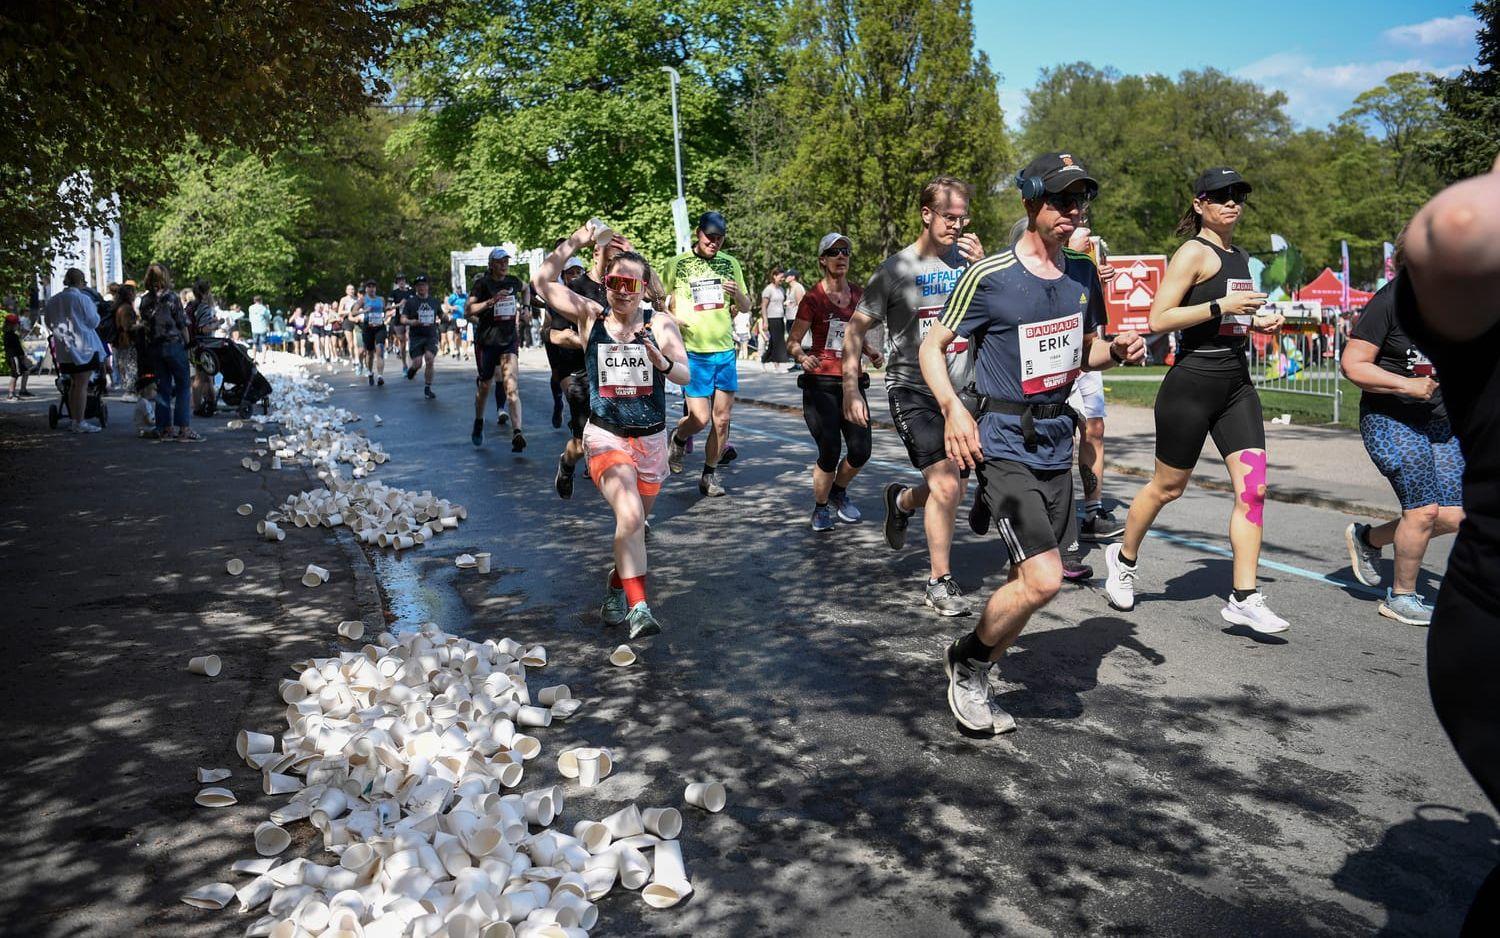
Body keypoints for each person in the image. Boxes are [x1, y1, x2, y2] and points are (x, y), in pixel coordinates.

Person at [923, 152, 1146, 734]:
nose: (1073, 211)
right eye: (1061, 200)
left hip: (1057, 442)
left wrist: (1114, 352)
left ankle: (979, 658)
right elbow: (932, 349)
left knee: (1029, 583)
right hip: (1002, 441)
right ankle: (968, 662)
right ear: (1030, 203)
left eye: (1080, 201)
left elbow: (1082, 354)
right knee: (1046, 578)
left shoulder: (1080, 275)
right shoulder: (989, 276)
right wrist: (953, 410)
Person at [1102, 167, 1289, 633]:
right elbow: (1159, 318)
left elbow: (1229, 318)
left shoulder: (1241, 255)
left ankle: (1244, 596)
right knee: (1168, 487)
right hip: (1191, 381)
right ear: (1200, 203)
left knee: (1254, 490)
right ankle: (1123, 559)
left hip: (1236, 384)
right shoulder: (1193, 252)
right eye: (1222, 196)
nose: (1232, 203)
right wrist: (1223, 307)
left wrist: (1256, 322)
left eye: (1239, 195)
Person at [1392, 151, 1500, 935]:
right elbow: (1456, 228)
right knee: (1428, 510)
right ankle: (1395, 581)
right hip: (1492, 613)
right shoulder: (1471, 264)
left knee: (1432, 512)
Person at [532, 222, 692, 639]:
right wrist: (578, 240)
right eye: (616, 282)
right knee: (631, 515)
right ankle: (640, 608)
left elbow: (684, 374)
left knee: (633, 526)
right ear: (606, 283)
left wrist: (660, 361)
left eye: (631, 283)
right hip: (605, 435)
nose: (623, 290)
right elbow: (541, 280)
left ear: (643, 287)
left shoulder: (661, 324)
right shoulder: (591, 316)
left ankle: (617, 585)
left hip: (652, 441)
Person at [843, 175, 984, 616]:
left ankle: (902, 501)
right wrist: (852, 387)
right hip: (913, 390)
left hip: (965, 392)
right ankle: (939, 582)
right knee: (946, 484)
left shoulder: (970, 263)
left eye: (962, 218)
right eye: (948, 217)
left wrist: (987, 266)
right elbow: (855, 330)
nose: (957, 226)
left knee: (952, 487)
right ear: (926, 214)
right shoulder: (894, 271)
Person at [789, 233, 884, 531]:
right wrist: (803, 358)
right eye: (834, 252)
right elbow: (792, 342)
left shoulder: (858, 295)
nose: (841, 256)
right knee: (829, 450)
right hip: (820, 385)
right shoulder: (813, 298)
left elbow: (854, 334)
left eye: (845, 251)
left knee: (861, 450)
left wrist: (871, 351)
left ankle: (838, 491)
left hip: (852, 383)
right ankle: (820, 508)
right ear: (823, 260)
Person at [663, 211, 750, 497]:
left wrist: (737, 294)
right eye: (710, 237)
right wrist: (671, 318)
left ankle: (709, 475)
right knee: (699, 419)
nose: (714, 243)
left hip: (724, 351)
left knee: (722, 419)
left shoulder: (730, 264)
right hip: (694, 353)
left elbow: (747, 305)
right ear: (698, 234)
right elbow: (658, 300)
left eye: (719, 238)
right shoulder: (677, 264)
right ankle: (678, 436)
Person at [467, 248, 528, 450]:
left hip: (509, 340)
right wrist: (492, 301)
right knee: (485, 387)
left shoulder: (513, 281)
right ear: (491, 263)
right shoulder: (482, 284)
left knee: (511, 386)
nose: (504, 265)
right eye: (500, 261)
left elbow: (526, 288)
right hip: (487, 341)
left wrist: (526, 308)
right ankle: (478, 421)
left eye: (506, 261)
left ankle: (517, 432)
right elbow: (469, 310)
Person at [139, 263, 203, 441]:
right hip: (174, 345)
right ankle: (183, 429)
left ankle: (164, 428)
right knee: (183, 386)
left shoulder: (145, 300)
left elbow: (145, 325)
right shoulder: (171, 298)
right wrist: (188, 345)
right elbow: (181, 324)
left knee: (163, 388)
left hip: (155, 347)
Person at [42, 269, 108, 433]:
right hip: (84, 348)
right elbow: (93, 322)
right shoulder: (82, 299)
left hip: (64, 348)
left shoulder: (53, 300)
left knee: (73, 384)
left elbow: (48, 323)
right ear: (81, 282)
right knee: (82, 385)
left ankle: (74, 419)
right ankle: (79, 421)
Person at [548, 256, 592, 497]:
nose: (575, 276)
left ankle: (636, 514)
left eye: (579, 271)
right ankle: (567, 463)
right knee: (583, 440)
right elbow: (554, 335)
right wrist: (586, 342)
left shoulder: (597, 294)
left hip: (604, 370)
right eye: (570, 273)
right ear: (563, 277)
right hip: (571, 369)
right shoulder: (560, 300)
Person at [401, 274, 443, 399]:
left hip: (431, 335)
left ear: (427, 286)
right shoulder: (411, 302)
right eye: (419, 285)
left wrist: (446, 318)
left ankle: (427, 388)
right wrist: (411, 322)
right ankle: (413, 369)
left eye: (423, 285)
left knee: (430, 359)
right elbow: (403, 319)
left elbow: (441, 315)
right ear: (415, 287)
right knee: (418, 363)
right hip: (416, 336)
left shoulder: (434, 301)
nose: (421, 287)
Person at [110, 284, 140, 402]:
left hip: (120, 342)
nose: (134, 294)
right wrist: (142, 326)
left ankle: (129, 390)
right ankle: (130, 391)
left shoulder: (118, 307)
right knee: (131, 366)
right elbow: (128, 326)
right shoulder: (126, 308)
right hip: (127, 341)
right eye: (133, 292)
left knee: (124, 366)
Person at [357, 279, 389, 386]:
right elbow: (353, 312)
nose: (371, 289)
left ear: (375, 288)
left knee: (380, 349)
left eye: (373, 286)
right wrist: (364, 311)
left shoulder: (381, 299)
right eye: (369, 286)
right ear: (366, 289)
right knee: (370, 353)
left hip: (379, 326)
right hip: (368, 327)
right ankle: (370, 372)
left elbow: (384, 310)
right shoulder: (363, 300)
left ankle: (380, 376)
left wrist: (394, 307)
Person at [760, 267, 789, 366]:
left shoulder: (781, 289)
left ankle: (765, 359)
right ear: (774, 276)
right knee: (777, 341)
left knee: (775, 340)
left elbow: (780, 303)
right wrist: (765, 321)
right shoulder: (768, 289)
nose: (783, 279)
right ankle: (777, 364)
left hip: (780, 317)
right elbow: (764, 306)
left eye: (783, 277)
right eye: (781, 277)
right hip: (771, 318)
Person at [5, 313, 32, 400]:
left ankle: (23, 390)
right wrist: (21, 356)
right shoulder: (10, 335)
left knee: (26, 371)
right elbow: (15, 349)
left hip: (17, 357)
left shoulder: (12, 334)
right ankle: (11, 393)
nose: (18, 326)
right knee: (15, 374)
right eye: (17, 324)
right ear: (11, 325)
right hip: (14, 358)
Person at [338, 284, 361, 371]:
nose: (351, 291)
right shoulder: (343, 299)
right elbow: (339, 312)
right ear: (346, 291)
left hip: (355, 320)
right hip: (347, 321)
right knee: (350, 344)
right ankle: (353, 358)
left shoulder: (357, 299)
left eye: (352, 289)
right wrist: (348, 311)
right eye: (349, 289)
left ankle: (357, 360)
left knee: (356, 343)